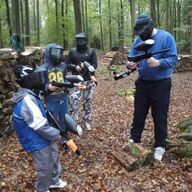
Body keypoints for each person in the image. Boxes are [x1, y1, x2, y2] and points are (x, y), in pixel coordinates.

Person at [127, 13, 178, 161]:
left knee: (160, 115)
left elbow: (174, 59)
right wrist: (130, 65)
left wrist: (159, 63)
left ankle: (160, 146)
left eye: (142, 31)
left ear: (149, 27)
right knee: (139, 114)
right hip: (143, 83)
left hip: (161, 84)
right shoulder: (138, 41)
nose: (140, 34)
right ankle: (134, 140)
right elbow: (131, 59)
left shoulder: (166, 37)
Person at [11, 65, 67, 192]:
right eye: (35, 77)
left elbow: (42, 89)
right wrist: (56, 134)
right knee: (45, 166)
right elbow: (39, 126)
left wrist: (49, 87)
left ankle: (53, 181)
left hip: (43, 135)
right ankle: (41, 189)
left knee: (53, 156)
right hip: (35, 139)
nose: (39, 79)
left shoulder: (31, 92)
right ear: (28, 80)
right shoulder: (26, 100)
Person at [66, 32, 98, 131]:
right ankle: (73, 122)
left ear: (86, 41)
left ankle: (86, 122)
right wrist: (75, 67)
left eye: (82, 40)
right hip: (76, 81)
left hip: (88, 80)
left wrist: (87, 66)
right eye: (78, 40)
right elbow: (67, 64)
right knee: (74, 101)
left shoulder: (91, 51)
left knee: (87, 102)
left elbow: (95, 65)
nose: (80, 42)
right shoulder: (72, 51)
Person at [42, 43, 68, 143]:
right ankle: (53, 141)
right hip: (51, 101)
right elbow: (39, 85)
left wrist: (67, 85)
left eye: (60, 52)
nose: (58, 55)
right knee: (53, 122)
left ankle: (64, 140)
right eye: (55, 52)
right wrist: (48, 87)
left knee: (64, 120)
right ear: (49, 53)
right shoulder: (44, 68)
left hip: (63, 99)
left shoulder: (63, 66)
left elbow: (65, 78)